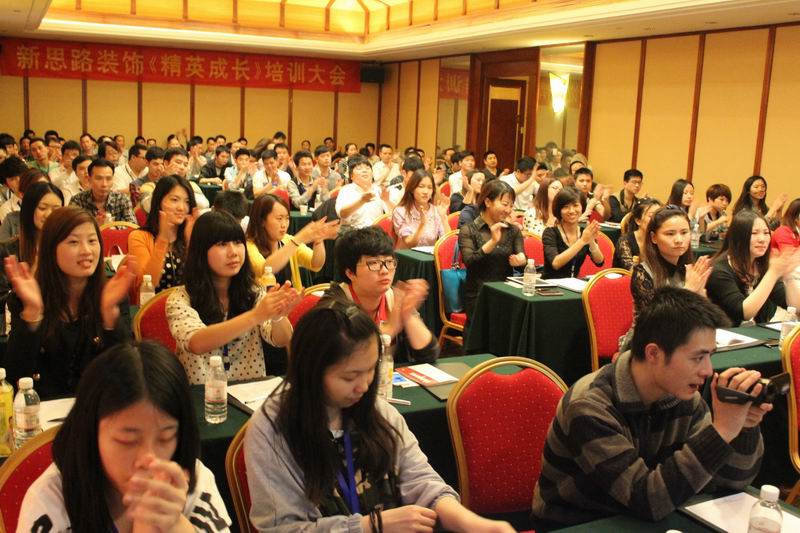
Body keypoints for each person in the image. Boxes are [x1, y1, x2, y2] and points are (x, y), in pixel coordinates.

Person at [243, 301, 512, 532]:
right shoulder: (273, 429)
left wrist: (476, 525)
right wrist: (371, 525)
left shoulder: (377, 412)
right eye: (349, 377)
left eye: (371, 370)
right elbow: (283, 528)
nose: (363, 386)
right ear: (310, 371)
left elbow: (421, 481)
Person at [532, 286, 769, 528]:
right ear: (654, 353)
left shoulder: (682, 395)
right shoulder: (589, 407)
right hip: (579, 525)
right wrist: (721, 432)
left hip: (643, 519)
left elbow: (732, 482)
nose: (708, 370)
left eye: (710, 355)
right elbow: (647, 499)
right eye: (698, 358)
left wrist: (743, 428)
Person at [17, 341, 232, 532]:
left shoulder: (192, 482)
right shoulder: (52, 501)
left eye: (165, 438)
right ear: (91, 433)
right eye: (127, 441)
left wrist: (176, 527)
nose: (148, 459)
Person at [3, 206, 136, 398]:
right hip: (42, 411)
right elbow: (13, 379)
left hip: (95, 408)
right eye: (73, 242)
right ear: (50, 249)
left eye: (92, 241)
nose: (86, 251)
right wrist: (33, 314)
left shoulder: (111, 295)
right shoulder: (25, 299)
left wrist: (109, 317)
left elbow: (128, 375)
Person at [166, 210, 300, 385]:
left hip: (248, 393)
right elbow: (196, 343)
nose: (233, 252)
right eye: (222, 244)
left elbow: (282, 339)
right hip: (202, 393)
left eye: (237, 242)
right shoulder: (180, 298)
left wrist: (278, 316)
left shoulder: (253, 291)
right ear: (201, 251)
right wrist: (255, 316)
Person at [325, 227, 439, 363]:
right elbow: (345, 359)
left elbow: (429, 354)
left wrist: (407, 314)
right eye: (374, 263)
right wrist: (391, 328)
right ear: (350, 273)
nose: (385, 270)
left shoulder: (393, 297)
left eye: (389, 262)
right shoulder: (333, 304)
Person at [707, 209, 800, 325]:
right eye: (754, 233)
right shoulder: (719, 270)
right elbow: (744, 313)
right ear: (738, 237)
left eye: (766, 233)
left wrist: (788, 275)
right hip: (722, 334)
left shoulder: (761, 267)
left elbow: (795, 307)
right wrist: (773, 273)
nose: (762, 239)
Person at [459, 180, 526, 322]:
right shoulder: (469, 230)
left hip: (507, 293)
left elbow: (523, 261)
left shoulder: (513, 230)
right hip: (479, 295)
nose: (508, 210)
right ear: (488, 202)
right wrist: (492, 242)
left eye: (511, 205)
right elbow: (469, 261)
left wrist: (521, 260)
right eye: (505, 204)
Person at [245, 193, 338, 291]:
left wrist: (319, 240)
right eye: (279, 219)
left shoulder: (288, 240)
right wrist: (299, 238)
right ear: (262, 221)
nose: (284, 225)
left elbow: (316, 264)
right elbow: (265, 269)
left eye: (287, 218)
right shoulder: (249, 246)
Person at [128, 176, 199, 293]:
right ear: (159, 202)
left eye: (187, 202)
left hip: (187, 303)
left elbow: (200, 282)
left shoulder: (188, 235)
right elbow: (147, 285)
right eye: (174, 200)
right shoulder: (139, 236)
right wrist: (162, 240)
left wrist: (191, 241)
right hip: (153, 302)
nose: (181, 208)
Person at [542, 187, 604, 279]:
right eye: (566, 207)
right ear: (559, 210)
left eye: (575, 205)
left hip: (574, 284)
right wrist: (582, 241)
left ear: (582, 207)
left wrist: (591, 240)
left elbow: (599, 262)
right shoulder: (550, 233)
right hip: (550, 283)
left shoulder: (584, 232)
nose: (571, 211)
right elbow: (555, 263)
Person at [392, 170, 448, 249]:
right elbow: (409, 244)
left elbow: (447, 243)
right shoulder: (401, 211)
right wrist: (422, 224)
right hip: (407, 255)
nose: (426, 192)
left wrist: (443, 218)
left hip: (430, 255)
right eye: (421, 186)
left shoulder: (435, 210)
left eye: (430, 187)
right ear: (412, 189)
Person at [70, 159, 136, 224]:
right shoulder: (77, 200)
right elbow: (71, 227)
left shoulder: (122, 199)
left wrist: (111, 226)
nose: (104, 184)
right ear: (89, 180)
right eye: (99, 178)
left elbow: (133, 226)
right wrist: (94, 225)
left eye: (108, 179)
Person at [336, 156, 391, 231]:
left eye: (367, 168)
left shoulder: (378, 190)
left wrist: (387, 201)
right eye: (359, 168)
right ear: (351, 176)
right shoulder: (346, 190)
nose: (364, 170)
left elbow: (393, 215)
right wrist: (361, 201)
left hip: (376, 232)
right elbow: (342, 214)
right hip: (353, 232)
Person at [612, 198, 661, 270]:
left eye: (659, 215)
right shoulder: (625, 241)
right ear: (638, 221)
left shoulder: (660, 239)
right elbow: (632, 271)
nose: (657, 219)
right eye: (651, 216)